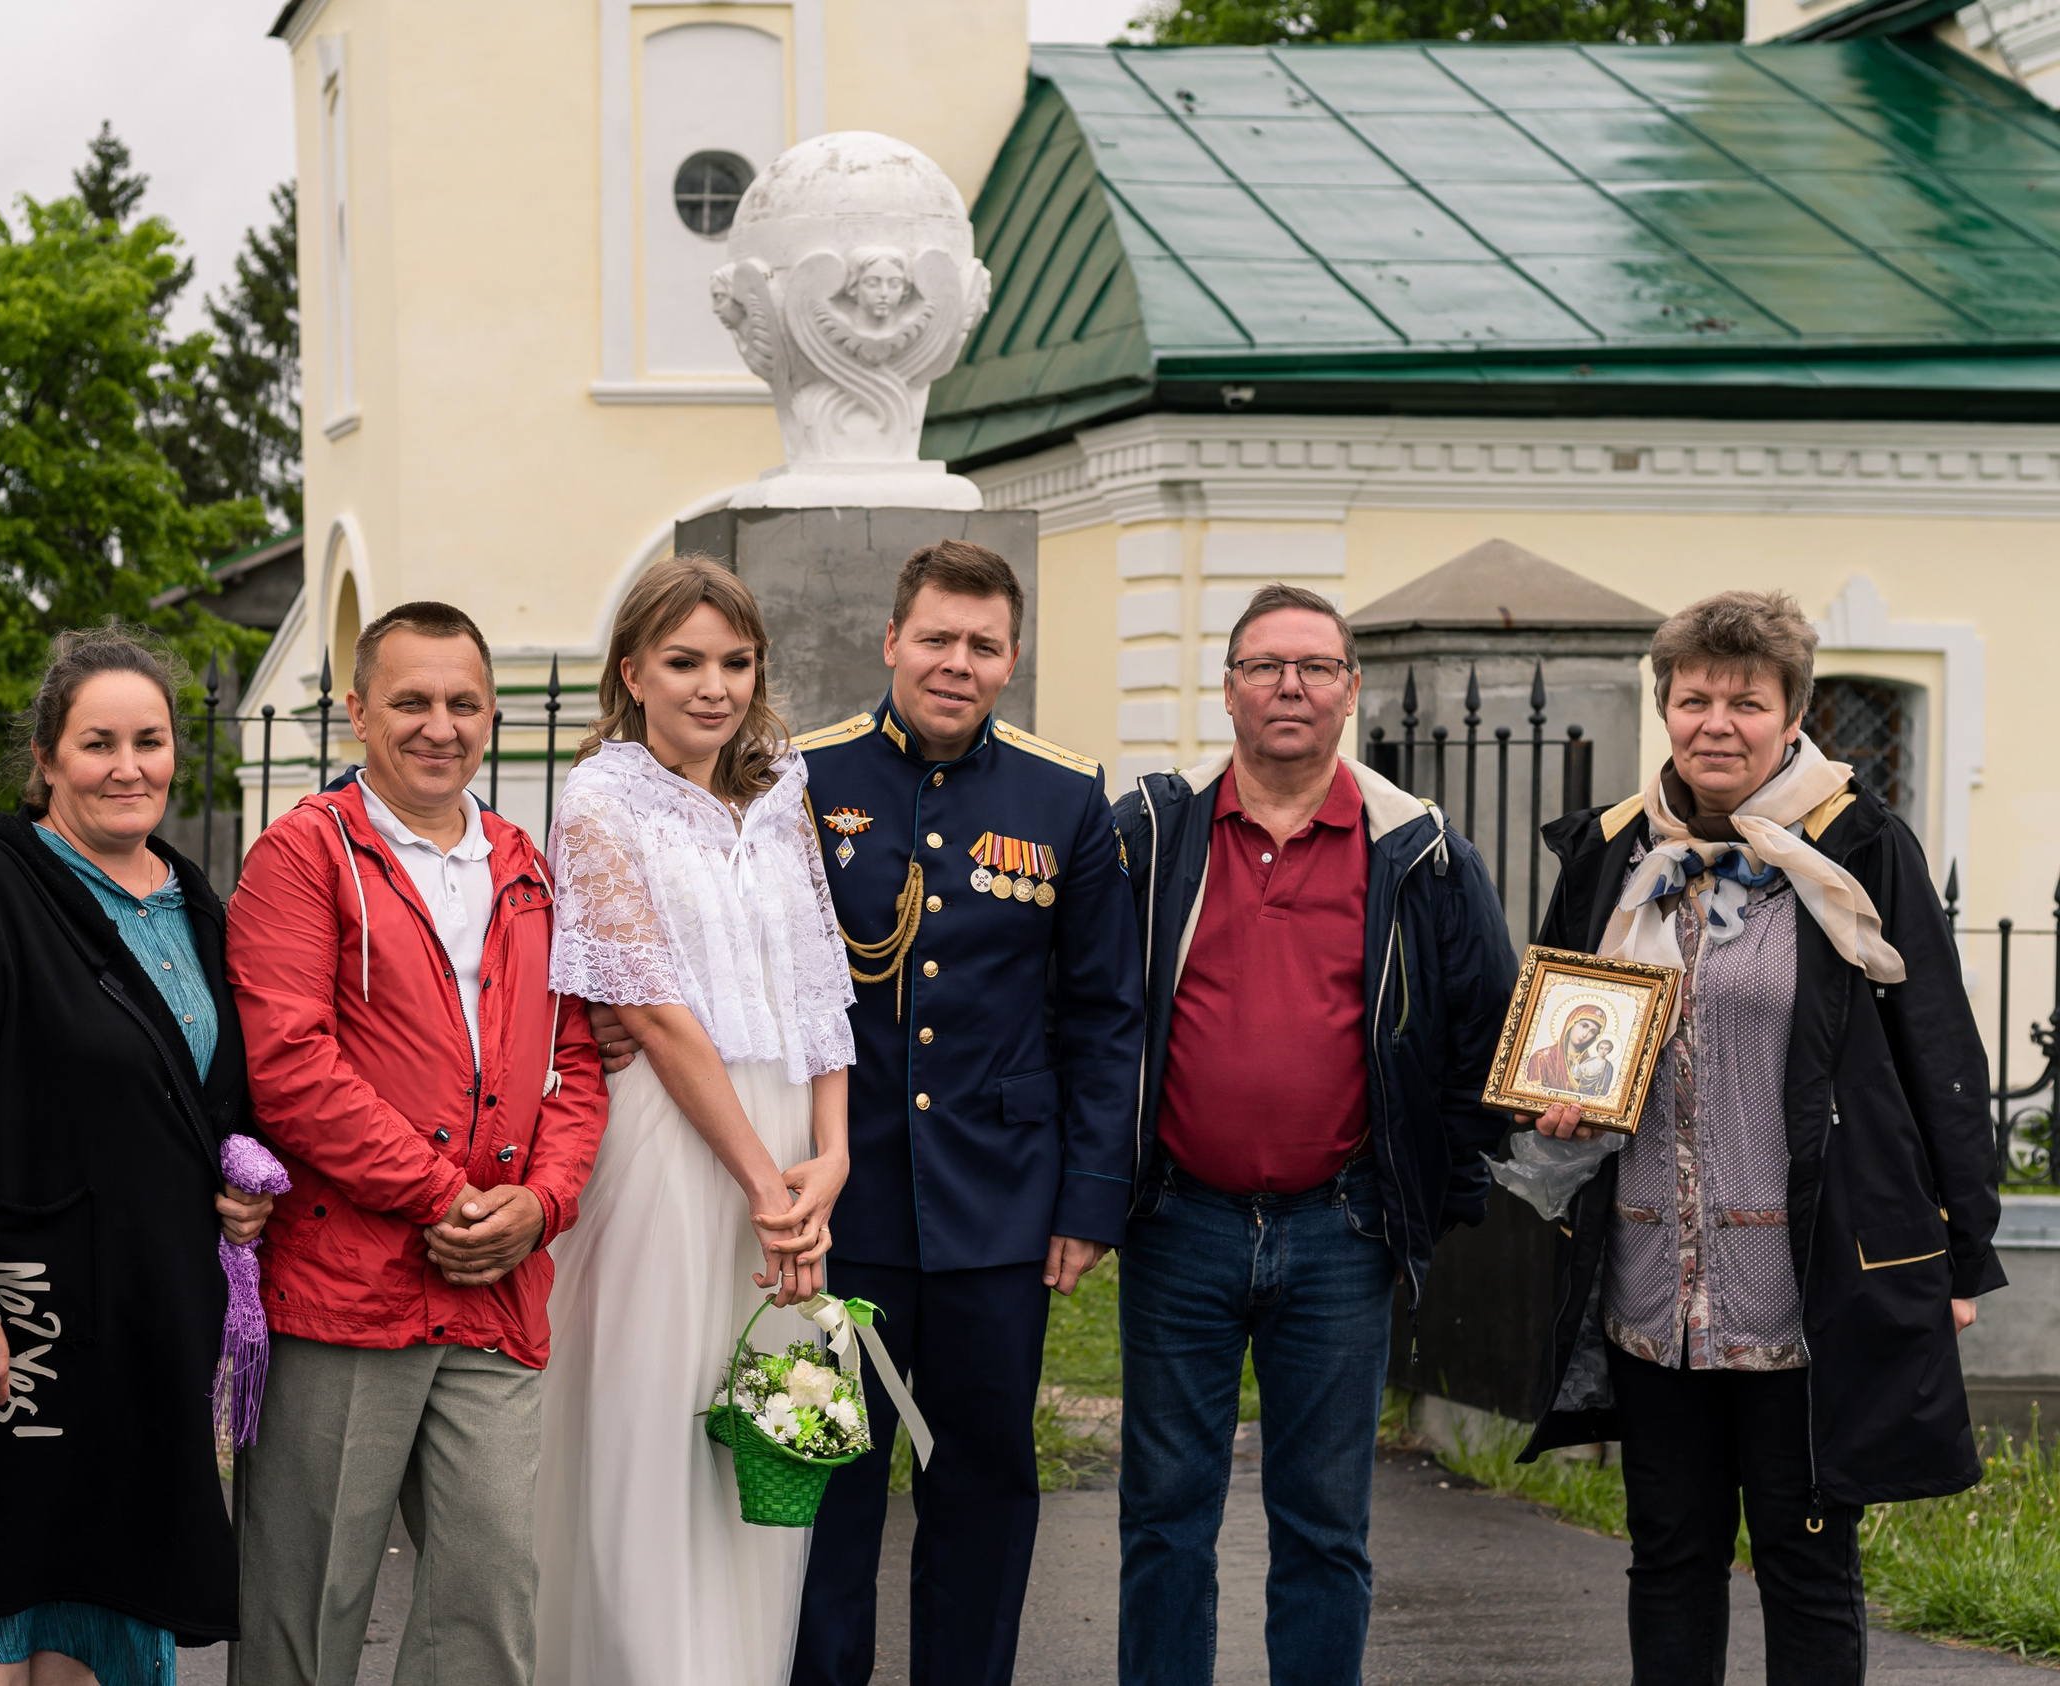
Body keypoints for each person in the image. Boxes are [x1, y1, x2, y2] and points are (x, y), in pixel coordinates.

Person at [588, 540, 1145, 1686]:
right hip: (840, 1195)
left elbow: (1102, 1014)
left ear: (1012, 659)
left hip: (999, 1202)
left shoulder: (1064, 795)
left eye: (982, 645)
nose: (956, 663)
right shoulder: (801, 778)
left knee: (983, 1483)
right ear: (891, 641)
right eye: (935, 638)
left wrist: (1088, 1199)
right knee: (825, 1481)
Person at [1519, 589, 2005, 1685]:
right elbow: (1564, 1031)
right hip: (1653, 1287)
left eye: (1746, 702)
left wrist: (1962, 1252)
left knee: (1806, 1560)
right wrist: (1554, 1098)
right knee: (1669, 1555)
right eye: (1695, 699)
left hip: (1803, 1285)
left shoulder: (1860, 847)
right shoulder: (1611, 853)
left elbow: (1937, 1049)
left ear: (1792, 715)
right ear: (1666, 709)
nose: (1717, 724)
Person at [1112, 583, 1515, 1685]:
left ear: (1350, 690)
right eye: (1264, 666)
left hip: (1341, 1230)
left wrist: (1436, 1193)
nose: (1289, 687)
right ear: (1228, 689)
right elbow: (1087, 1013)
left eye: (1315, 668)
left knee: (1326, 1530)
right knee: (1163, 1521)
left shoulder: (1421, 853)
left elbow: (1483, 1032)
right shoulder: (1152, 833)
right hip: (1178, 1223)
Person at [224, 600, 609, 1686]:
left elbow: (580, 1062)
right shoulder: (303, 854)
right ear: (357, 712)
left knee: (489, 1606)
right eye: (411, 702)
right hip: (347, 1287)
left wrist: (542, 1204)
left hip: (495, 1289)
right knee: (305, 1615)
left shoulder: (529, 865)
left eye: (463, 703)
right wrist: (446, 1199)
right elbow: (291, 1068)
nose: (440, 726)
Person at [0, 631, 275, 1684]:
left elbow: (203, 1088)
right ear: (46, 757)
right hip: (31, 1309)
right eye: (98, 743)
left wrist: (241, 1178)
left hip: (153, 1313)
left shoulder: (193, 900)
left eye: (149, 741)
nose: (128, 767)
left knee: (107, 1588)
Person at [533, 556, 855, 1684]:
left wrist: (830, 1157)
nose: (713, 687)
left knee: (763, 1420)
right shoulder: (600, 802)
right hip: (672, 1140)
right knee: (657, 1412)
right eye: (683, 662)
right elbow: (653, 1014)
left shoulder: (782, 795)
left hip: (788, 1145)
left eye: (735, 661)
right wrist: (764, 1183)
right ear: (632, 673)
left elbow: (819, 984)